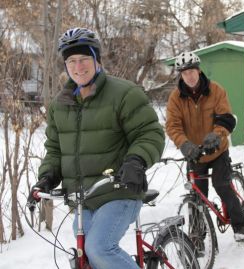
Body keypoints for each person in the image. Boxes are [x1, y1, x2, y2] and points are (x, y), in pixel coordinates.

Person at [27, 27, 165, 269]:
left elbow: (149, 133)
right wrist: (46, 178)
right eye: (71, 61)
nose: (78, 67)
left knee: (99, 249)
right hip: (82, 198)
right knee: (85, 259)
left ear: (96, 59)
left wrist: (136, 161)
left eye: (84, 59)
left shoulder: (124, 93)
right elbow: (55, 149)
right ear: (65, 65)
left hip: (118, 190)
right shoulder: (61, 105)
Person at [166, 51, 244, 242]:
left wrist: (216, 135)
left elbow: (226, 117)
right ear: (181, 74)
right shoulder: (175, 98)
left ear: (198, 70)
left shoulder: (215, 90)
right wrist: (184, 144)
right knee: (197, 195)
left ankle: (241, 225)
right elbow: (173, 126)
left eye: (192, 71)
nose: (189, 76)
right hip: (194, 153)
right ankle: (197, 237)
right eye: (185, 72)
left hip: (217, 149)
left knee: (222, 184)